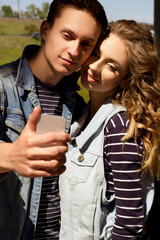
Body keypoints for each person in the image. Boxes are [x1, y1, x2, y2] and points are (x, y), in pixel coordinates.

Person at [0, 0, 107, 239]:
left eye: (86, 44)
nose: (74, 51)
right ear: (45, 30)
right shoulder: (2, 86)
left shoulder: (78, 105)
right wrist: (8, 156)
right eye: (67, 36)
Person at [59, 19, 160, 240]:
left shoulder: (119, 127)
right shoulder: (81, 116)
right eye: (96, 54)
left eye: (112, 65)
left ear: (125, 80)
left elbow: (130, 223)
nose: (95, 66)